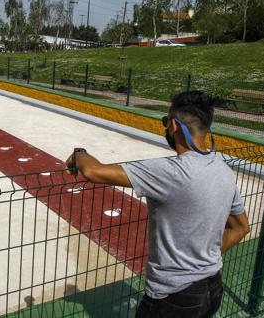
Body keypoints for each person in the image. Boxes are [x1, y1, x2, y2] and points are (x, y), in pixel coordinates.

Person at [65, 90, 250, 318]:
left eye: (165, 122)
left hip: (172, 297)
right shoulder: (223, 170)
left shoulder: (169, 172)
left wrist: (79, 154)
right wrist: (203, 258)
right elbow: (241, 227)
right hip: (212, 286)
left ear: (174, 126)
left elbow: (93, 171)